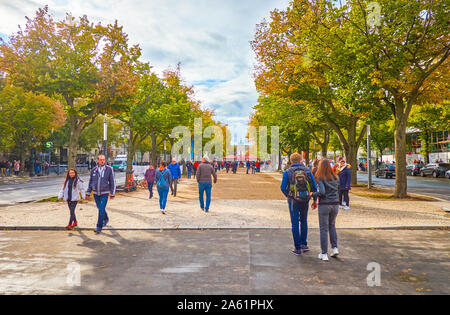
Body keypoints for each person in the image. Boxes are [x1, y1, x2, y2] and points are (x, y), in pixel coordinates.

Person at [280, 153, 318, 256]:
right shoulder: (307, 171)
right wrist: (314, 200)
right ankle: (304, 244)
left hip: (293, 201)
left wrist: (289, 195)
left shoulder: (288, 172)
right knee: (304, 221)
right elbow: (314, 187)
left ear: (291, 161)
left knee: (295, 223)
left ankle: (297, 248)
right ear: (301, 160)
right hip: (305, 199)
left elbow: (283, 187)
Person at [311, 159, 340, 261]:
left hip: (325, 205)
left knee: (323, 229)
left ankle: (324, 253)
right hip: (335, 204)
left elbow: (322, 192)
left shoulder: (320, 177)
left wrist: (312, 194)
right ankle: (335, 248)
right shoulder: (336, 177)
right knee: (332, 226)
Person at [86, 155, 116, 234]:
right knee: (100, 208)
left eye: (103, 160)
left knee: (101, 209)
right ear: (98, 161)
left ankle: (99, 226)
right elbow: (91, 182)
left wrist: (112, 192)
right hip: (96, 193)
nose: (102, 161)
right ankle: (105, 218)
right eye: (101, 160)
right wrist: (88, 192)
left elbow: (112, 181)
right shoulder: (93, 170)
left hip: (104, 192)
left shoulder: (109, 169)